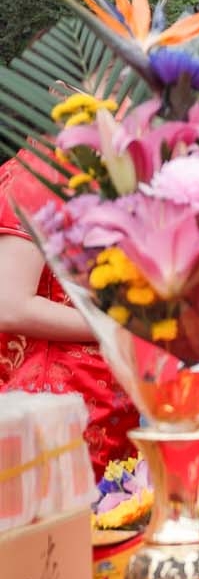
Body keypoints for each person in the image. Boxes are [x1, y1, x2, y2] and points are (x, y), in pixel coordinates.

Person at [0, 156, 140, 472]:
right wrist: (117, 327)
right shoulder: (36, 177)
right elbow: (10, 304)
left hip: (103, 399)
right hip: (59, 405)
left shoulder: (87, 178)